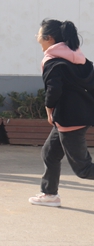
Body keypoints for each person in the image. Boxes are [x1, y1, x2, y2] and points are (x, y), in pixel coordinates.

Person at [28, 19, 94, 207]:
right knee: (49, 153)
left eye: (39, 34)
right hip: (76, 116)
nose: (37, 37)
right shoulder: (80, 59)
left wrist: (49, 109)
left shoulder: (52, 61)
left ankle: (49, 194)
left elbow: (53, 90)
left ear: (48, 38)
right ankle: (49, 194)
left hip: (69, 119)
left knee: (83, 169)